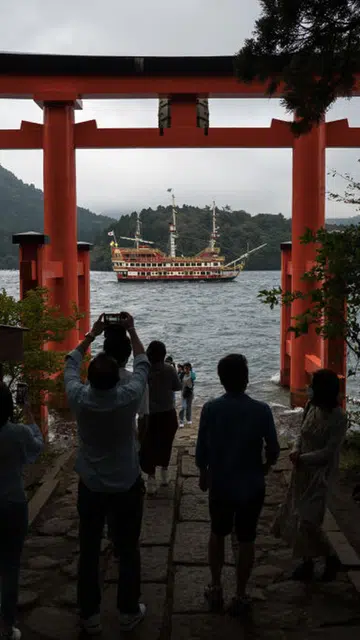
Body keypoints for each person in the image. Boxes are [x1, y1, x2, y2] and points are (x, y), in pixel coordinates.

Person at [64, 312, 150, 634]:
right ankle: (128, 610)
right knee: (128, 548)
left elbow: (70, 363)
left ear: (90, 378)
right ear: (117, 377)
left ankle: (90, 614)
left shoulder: (78, 397)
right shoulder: (127, 397)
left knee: (88, 549)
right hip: (126, 481)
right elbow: (142, 364)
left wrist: (91, 334)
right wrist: (132, 329)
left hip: (91, 484)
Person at [196, 354, 280, 617]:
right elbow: (274, 449)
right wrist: (264, 468)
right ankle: (242, 593)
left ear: (221, 380)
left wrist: (203, 473)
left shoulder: (210, 409)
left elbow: (201, 450)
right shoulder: (262, 410)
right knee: (247, 539)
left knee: (217, 534)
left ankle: (216, 585)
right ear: (246, 378)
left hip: (221, 485)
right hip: (251, 486)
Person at [273, 369, 347, 582]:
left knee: (309, 520)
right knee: (297, 514)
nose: (309, 389)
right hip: (302, 470)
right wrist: (297, 450)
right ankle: (307, 562)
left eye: (313, 385)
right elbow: (302, 434)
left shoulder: (338, 418)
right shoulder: (310, 406)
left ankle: (330, 556)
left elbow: (329, 452)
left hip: (320, 475)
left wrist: (303, 458)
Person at [0, 382, 43, 640]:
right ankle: (6, 626)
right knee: (11, 566)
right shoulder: (17, 434)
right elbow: (37, 446)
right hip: (13, 503)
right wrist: (27, 410)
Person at [139, 340, 181, 495]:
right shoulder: (169, 370)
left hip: (149, 415)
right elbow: (177, 386)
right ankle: (164, 473)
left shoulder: (144, 371)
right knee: (166, 443)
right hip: (167, 413)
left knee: (148, 445)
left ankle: (150, 479)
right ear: (163, 355)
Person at [103, 329, 149, 444]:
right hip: (126, 443)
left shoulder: (93, 380)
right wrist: (131, 330)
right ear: (128, 355)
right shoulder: (136, 382)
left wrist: (92, 334)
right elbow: (143, 418)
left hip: (97, 443)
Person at [179, 362, 196, 427]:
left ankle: (188, 419)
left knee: (189, 406)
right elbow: (178, 380)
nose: (186, 369)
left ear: (190, 368)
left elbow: (194, 378)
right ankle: (181, 421)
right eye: (185, 368)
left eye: (188, 368)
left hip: (190, 393)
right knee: (183, 407)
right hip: (183, 392)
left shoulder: (192, 374)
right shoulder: (181, 374)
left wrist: (191, 372)